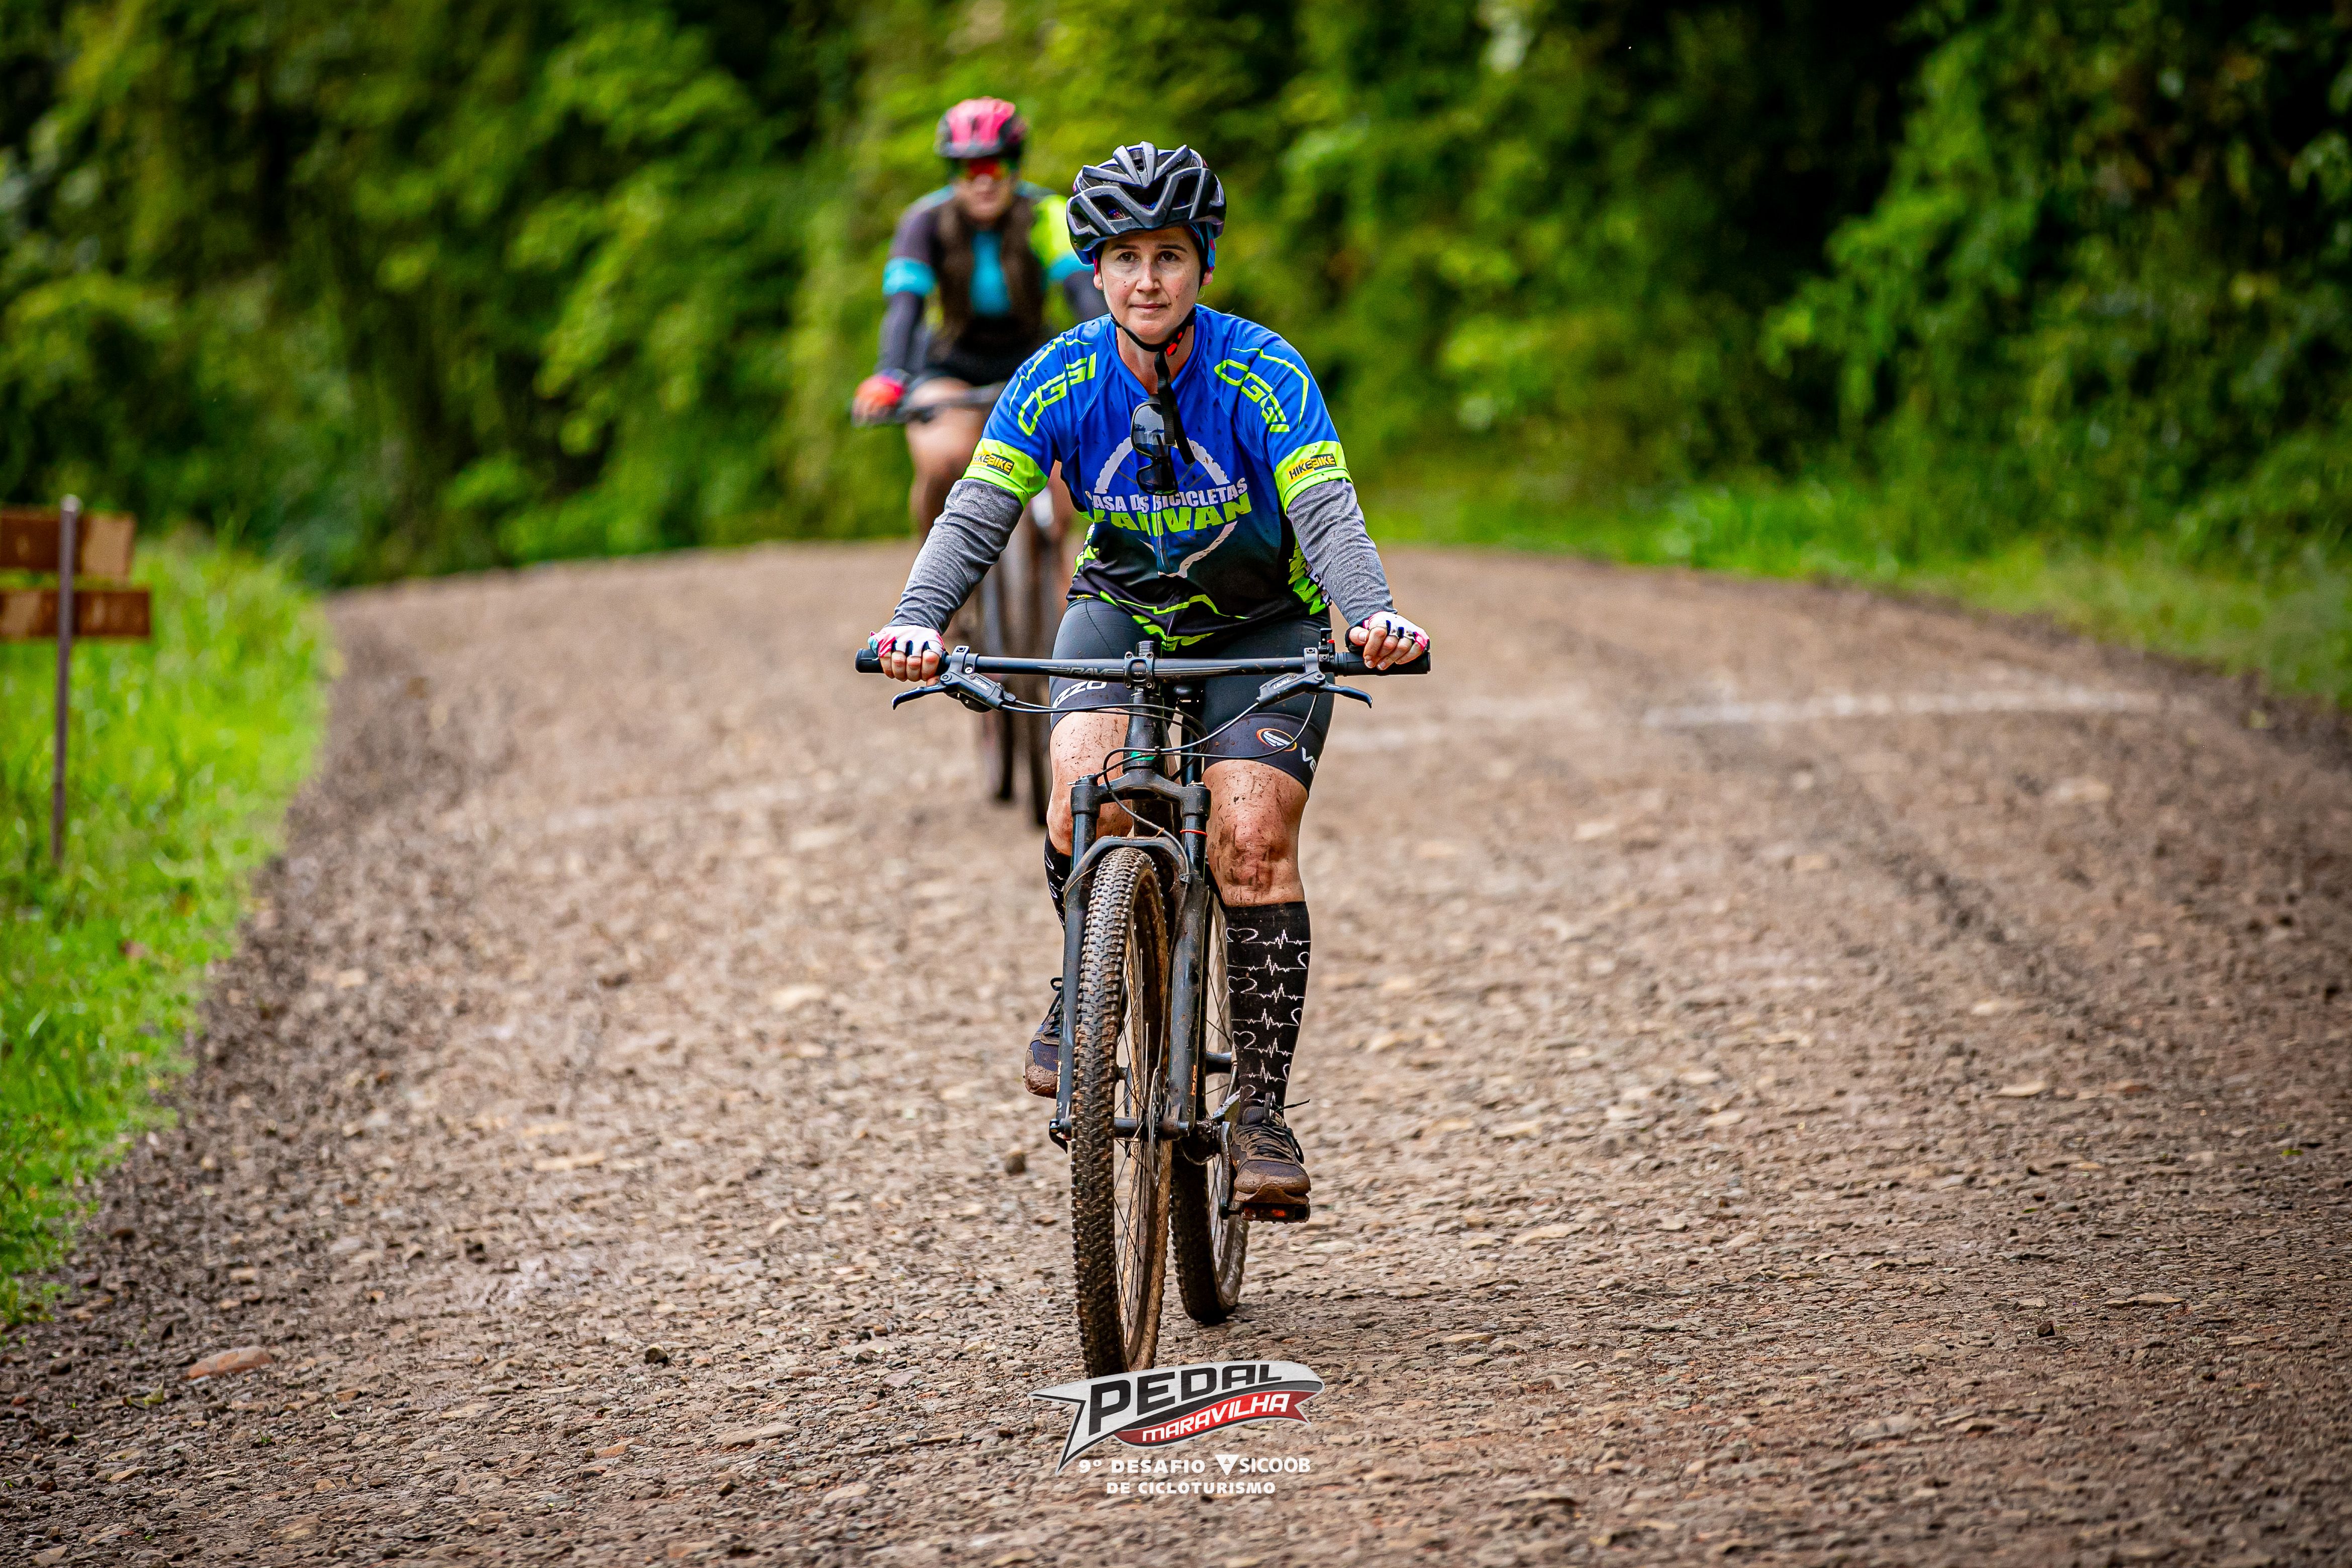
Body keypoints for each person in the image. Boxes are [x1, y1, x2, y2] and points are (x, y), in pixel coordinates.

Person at [866, 142, 1431, 1218]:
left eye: (1169, 255)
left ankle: (1261, 1112)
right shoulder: (1057, 377)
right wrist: (916, 620)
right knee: (1084, 787)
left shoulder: (1264, 371)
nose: (1148, 280)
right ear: (1096, 269)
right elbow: (979, 511)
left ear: (1203, 262)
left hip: (1262, 625)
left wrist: (1369, 613)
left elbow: (1325, 510)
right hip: (1120, 611)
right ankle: (1084, 981)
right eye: (1125, 258)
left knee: (1251, 840)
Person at [850, 98, 1107, 533]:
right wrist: (890, 373)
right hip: (951, 366)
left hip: (1033, 363)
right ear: (952, 172)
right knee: (942, 461)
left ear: (1016, 166)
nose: (984, 181)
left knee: (1065, 483)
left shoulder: (1047, 212)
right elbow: (906, 307)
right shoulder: (924, 221)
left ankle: (1052, 559)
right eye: (970, 169)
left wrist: (1108, 352)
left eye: (996, 165)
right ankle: (936, 569)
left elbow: (1084, 292)